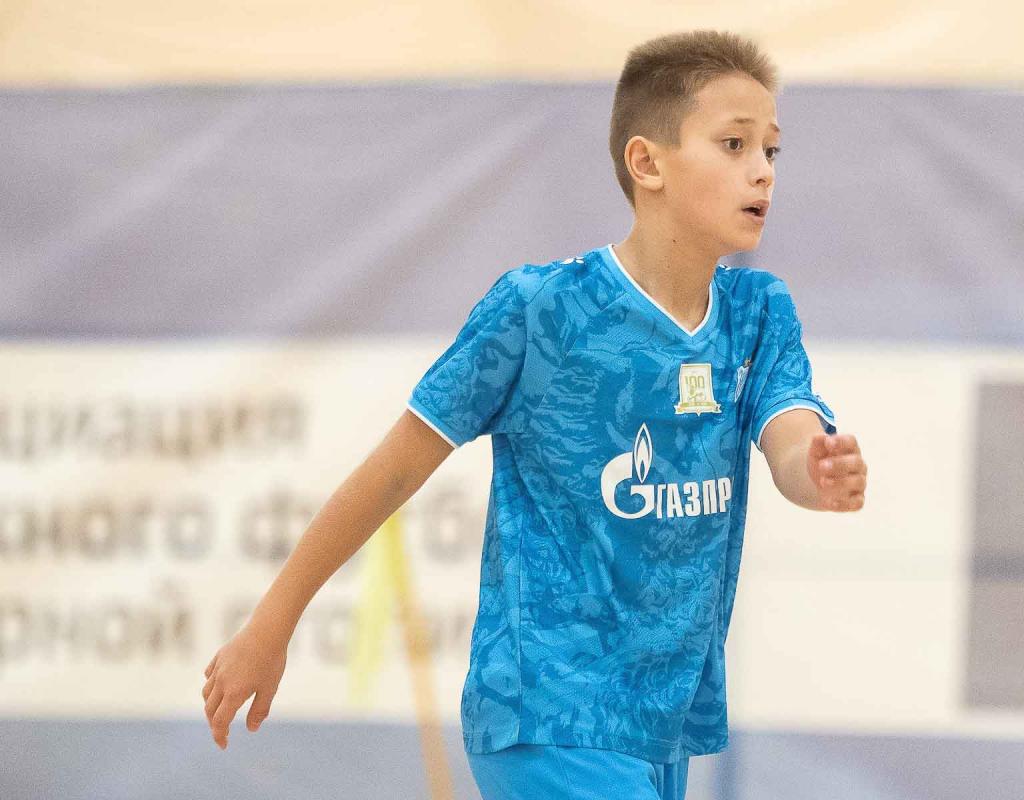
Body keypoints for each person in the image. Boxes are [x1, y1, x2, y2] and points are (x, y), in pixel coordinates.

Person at [201, 28, 868, 800]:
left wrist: (816, 471)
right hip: (547, 712)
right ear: (647, 163)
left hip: (663, 724)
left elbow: (789, 437)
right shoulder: (538, 309)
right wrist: (272, 623)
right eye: (734, 144)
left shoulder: (758, 310)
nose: (762, 170)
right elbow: (392, 472)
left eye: (771, 150)